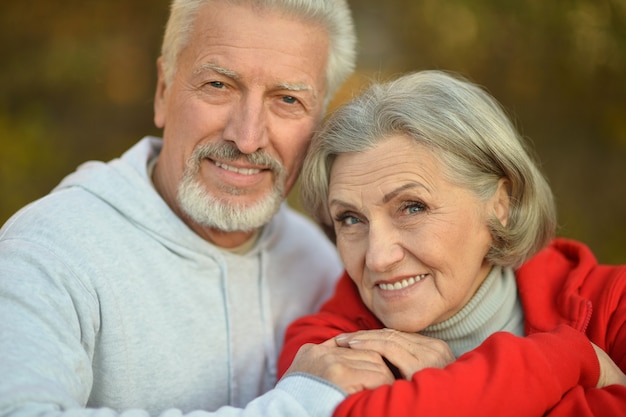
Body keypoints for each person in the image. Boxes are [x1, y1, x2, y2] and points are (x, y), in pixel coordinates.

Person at [0, 1, 396, 416]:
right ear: (163, 91)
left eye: (288, 99)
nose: (246, 138)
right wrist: (298, 404)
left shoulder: (319, 265)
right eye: (219, 86)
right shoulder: (48, 251)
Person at [277, 70, 626, 416]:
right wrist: (565, 358)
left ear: (499, 205)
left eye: (412, 207)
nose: (378, 258)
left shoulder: (614, 307)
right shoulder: (322, 343)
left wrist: (453, 385)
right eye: (351, 219)